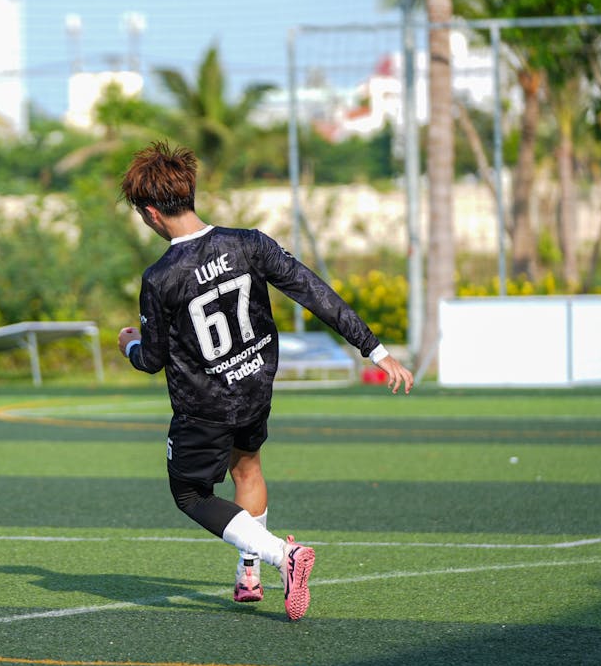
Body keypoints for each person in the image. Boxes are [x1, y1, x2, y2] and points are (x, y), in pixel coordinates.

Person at [117, 141, 414, 621]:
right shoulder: (248, 242)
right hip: (255, 388)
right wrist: (375, 350)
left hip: (205, 407)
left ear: (151, 213)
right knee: (247, 468)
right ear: (188, 192)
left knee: (190, 494)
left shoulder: (161, 276)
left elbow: (152, 360)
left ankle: (282, 555)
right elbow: (312, 292)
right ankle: (247, 573)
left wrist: (129, 343)